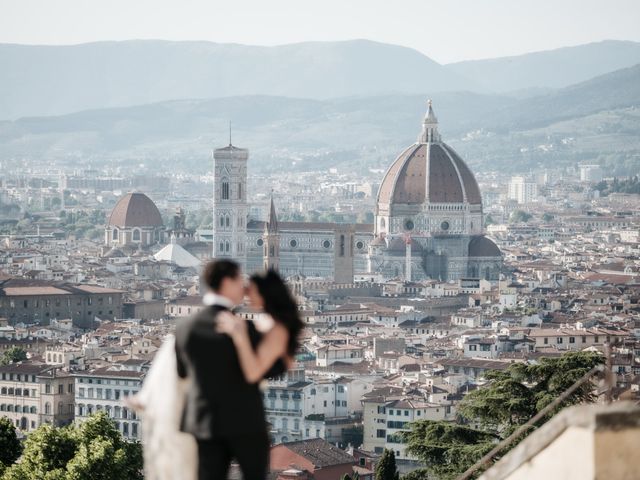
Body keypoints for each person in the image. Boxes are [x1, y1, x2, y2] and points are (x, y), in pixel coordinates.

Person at [174, 260, 287, 480]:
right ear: (226, 282)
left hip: (204, 423)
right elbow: (275, 368)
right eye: (239, 279)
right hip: (245, 422)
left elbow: (182, 373)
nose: (243, 286)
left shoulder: (185, 328)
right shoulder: (245, 328)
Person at [216, 269, 303, 385]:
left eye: (250, 290)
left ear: (264, 293)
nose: (246, 293)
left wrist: (240, 335)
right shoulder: (272, 323)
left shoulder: (278, 330)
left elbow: (253, 374)